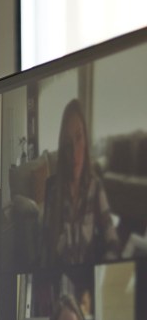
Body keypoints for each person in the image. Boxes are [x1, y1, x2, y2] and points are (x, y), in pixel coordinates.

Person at [43, 98, 117, 266]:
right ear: (62, 147)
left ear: (85, 141)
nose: (74, 151)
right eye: (68, 143)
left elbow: (112, 239)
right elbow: (46, 250)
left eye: (78, 138)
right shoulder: (53, 190)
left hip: (87, 284)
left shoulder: (95, 186)